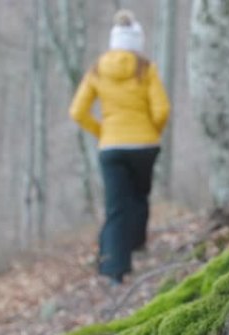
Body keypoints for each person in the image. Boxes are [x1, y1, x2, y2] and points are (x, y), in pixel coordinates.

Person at [69, 9, 171, 285]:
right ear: (137, 41)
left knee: (117, 205)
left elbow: (78, 111)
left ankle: (115, 267)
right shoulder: (145, 68)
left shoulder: (97, 69)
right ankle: (137, 243)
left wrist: (102, 131)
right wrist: (152, 131)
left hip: (112, 146)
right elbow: (162, 109)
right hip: (145, 145)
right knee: (139, 196)